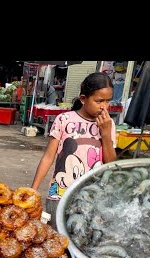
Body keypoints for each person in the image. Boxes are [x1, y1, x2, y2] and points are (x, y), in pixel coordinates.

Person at [30, 71, 117, 230]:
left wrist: (105, 133)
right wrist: (33, 190)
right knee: (57, 241)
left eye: (108, 101)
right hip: (60, 194)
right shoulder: (64, 119)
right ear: (83, 99)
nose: (104, 106)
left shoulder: (108, 124)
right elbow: (48, 157)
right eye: (99, 101)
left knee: (83, 241)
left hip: (93, 197)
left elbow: (110, 164)